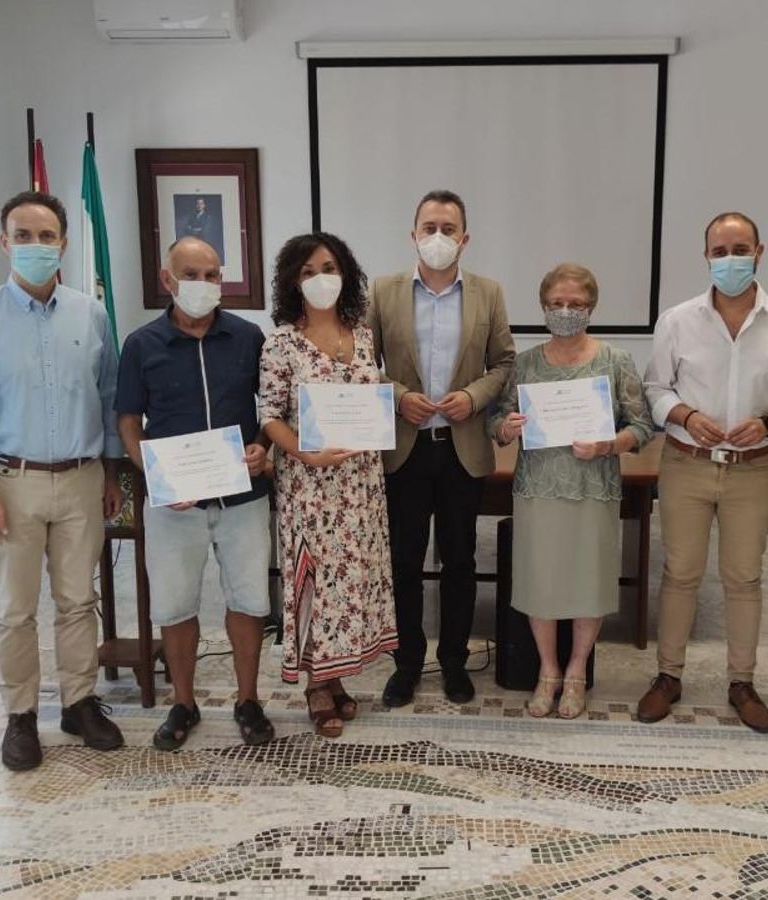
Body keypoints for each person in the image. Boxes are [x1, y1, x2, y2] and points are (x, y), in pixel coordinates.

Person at [0, 190, 126, 771]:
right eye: (22, 236)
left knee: (78, 599)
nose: (35, 246)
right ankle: (20, 715)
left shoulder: (91, 314)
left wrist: (112, 469)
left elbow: (108, 395)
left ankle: (79, 700)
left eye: (46, 236)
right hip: (10, 481)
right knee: (14, 607)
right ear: (4, 243)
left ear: (64, 244)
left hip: (80, 476)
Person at [638, 212, 768, 732]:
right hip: (686, 463)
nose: (730, 259)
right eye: (720, 250)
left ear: (760, 252)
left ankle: (742, 681)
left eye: (741, 249)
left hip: (754, 470)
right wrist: (688, 416)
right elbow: (656, 390)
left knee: (743, 577)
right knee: (680, 573)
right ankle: (668, 676)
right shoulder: (677, 320)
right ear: (706, 257)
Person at [115, 236, 276, 750]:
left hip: (243, 499)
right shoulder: (141, 345)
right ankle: (183, 704)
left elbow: (270, 409)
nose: (204, 285)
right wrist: (156, 476)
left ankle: (247, 700)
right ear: (167, 279)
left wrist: (260, 447)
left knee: (249, 601)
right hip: (173, 504)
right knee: (175, 606)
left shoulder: (249, 337)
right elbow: (127, 420)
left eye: (212, 275)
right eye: (191, 275)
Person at [365, 189, 516, 707]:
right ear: (413, 234)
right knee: (403, 562)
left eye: (448, 229)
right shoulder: (381, 292)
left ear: (465, 239)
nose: (437, 238)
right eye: (428, 227)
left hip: (461, 448)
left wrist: (473, 397)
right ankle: (406, 664)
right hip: (403, 448)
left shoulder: (488, 293)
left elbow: (504, 363)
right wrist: (400, 397)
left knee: (460, 561)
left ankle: (454, 662)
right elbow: (362, 366)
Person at [489, 264, 653, 718]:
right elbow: (496, 422)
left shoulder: (615, 361)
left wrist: (610, 443)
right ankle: (547, 670)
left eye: (575, 304)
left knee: (587, 578)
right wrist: (506, 426)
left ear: (591, 308)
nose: (566, 311)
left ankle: (577, 670)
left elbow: (643, 426)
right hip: (539, 486)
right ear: (543, 307)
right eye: (557, 304)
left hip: (593, 485)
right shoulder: (524, 364)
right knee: (541, 579)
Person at [259, 232, 398, 737]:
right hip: (310, 486)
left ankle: (338, 678)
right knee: (315, 580)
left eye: (330, 267)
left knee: (350, 581)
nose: (322, 279)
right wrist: (303, 451)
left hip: (360, 486)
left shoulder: (362, 336)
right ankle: (317, 683)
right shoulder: (281, 342)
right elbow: (269, 414)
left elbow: (373, 396)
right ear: (293, 282)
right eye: (309, 271)